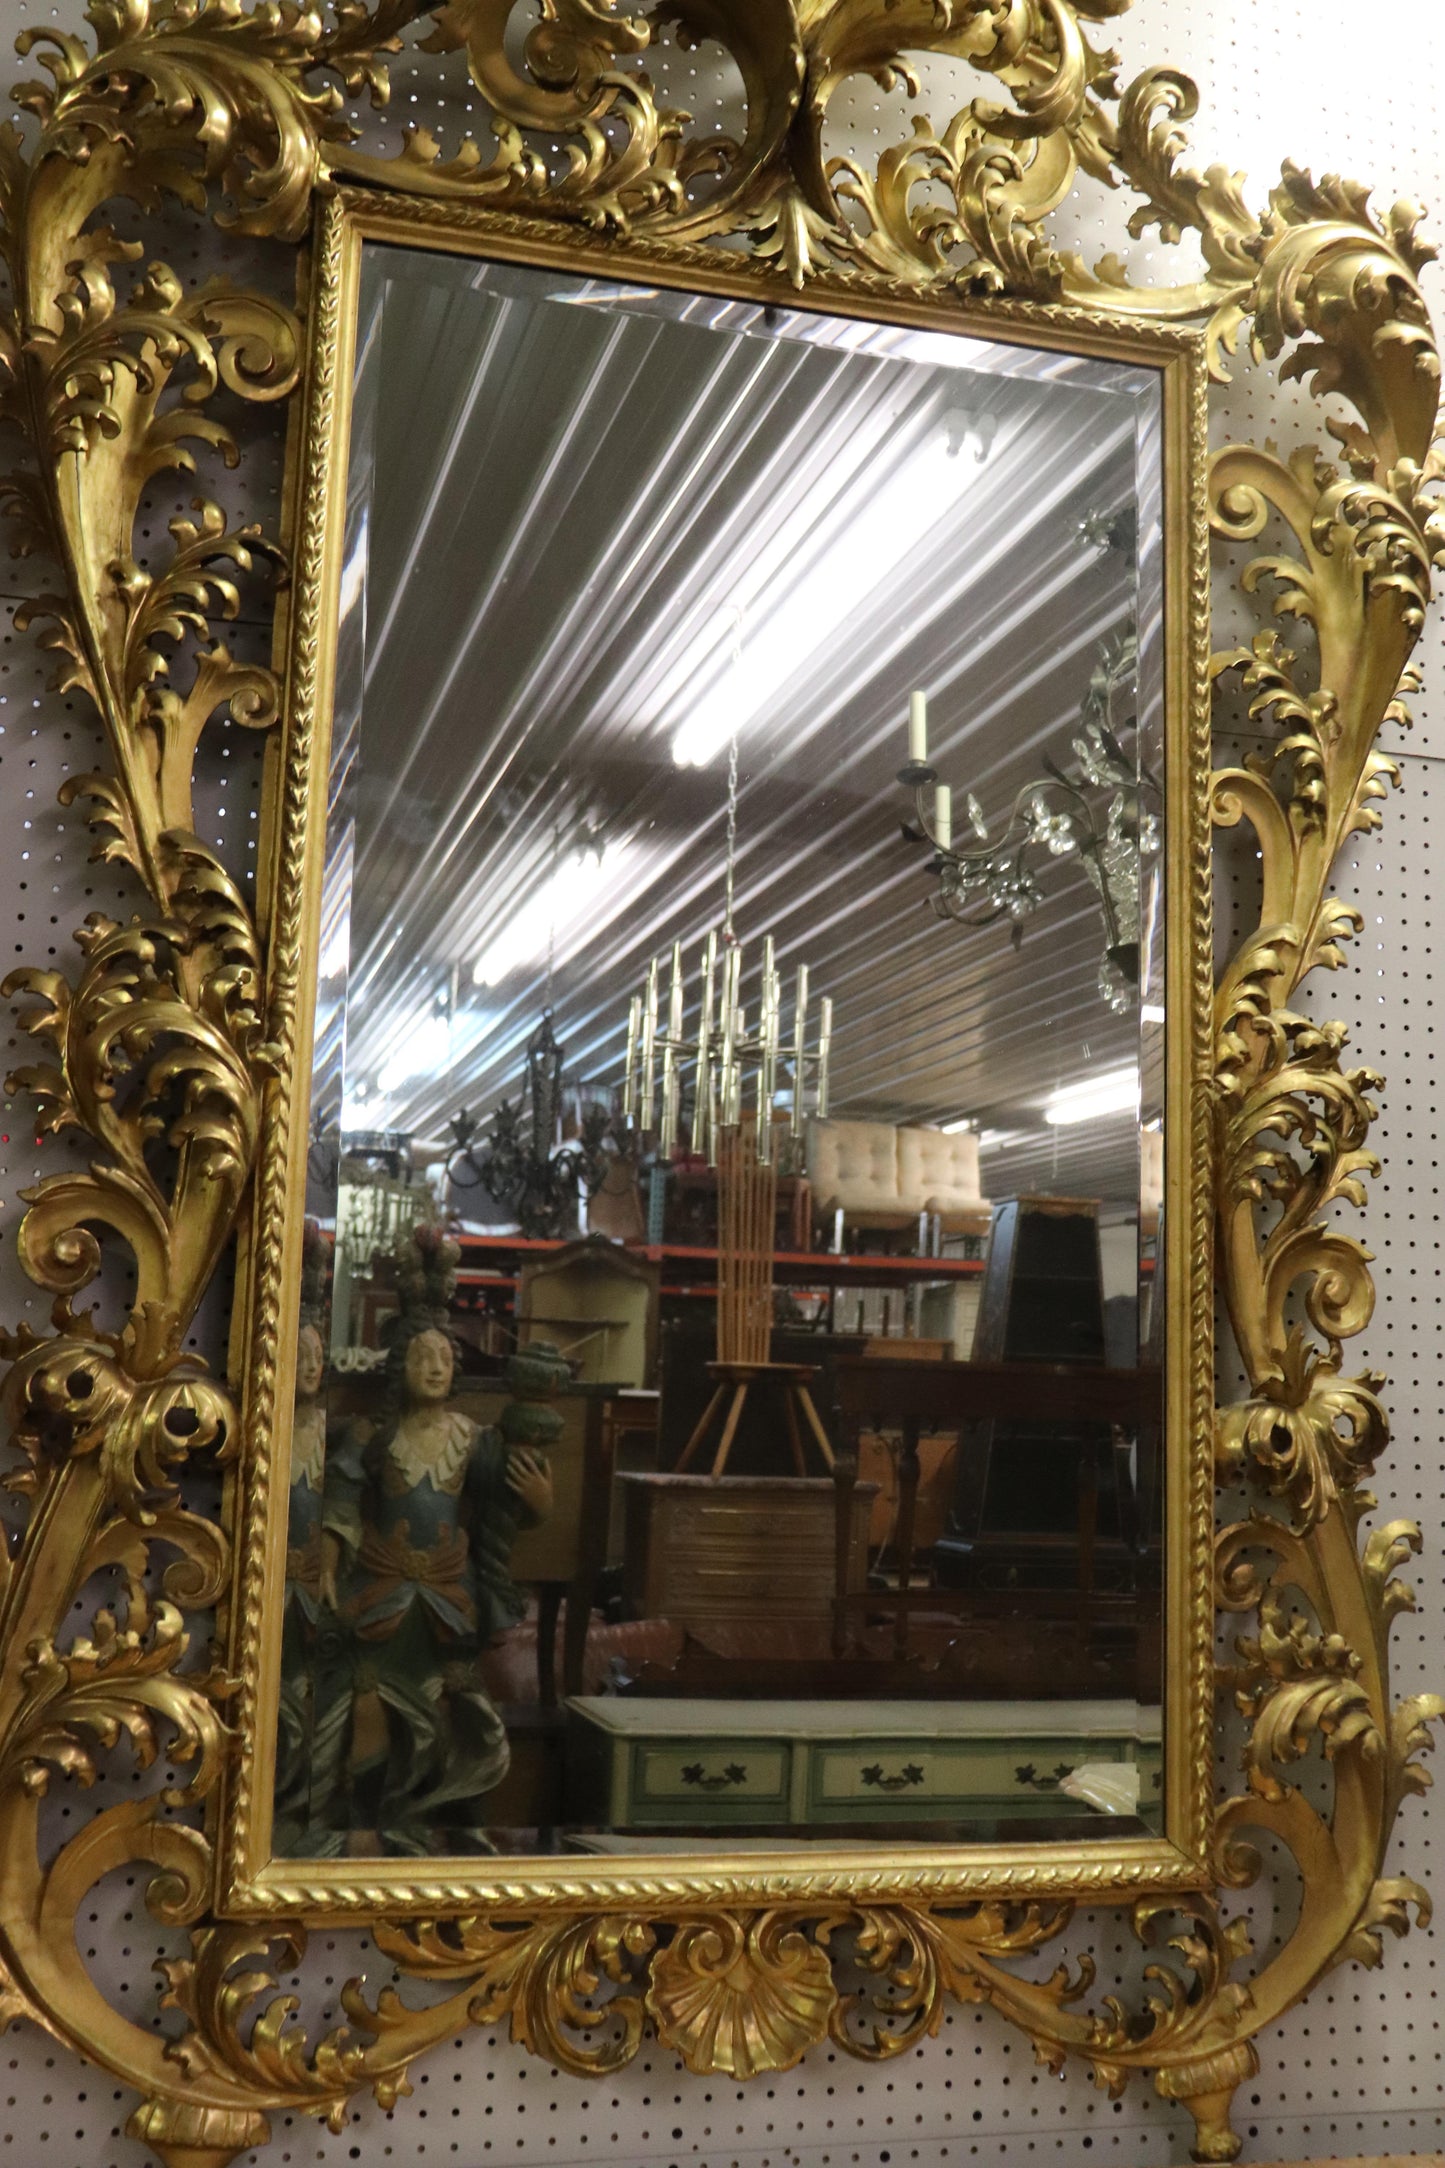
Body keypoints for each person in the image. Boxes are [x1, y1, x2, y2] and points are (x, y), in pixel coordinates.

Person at [321, 1322, 555, 1854]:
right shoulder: (374, 1436)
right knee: (368, 1707)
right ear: (399, 1367)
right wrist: (329, 1564)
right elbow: (340, 1497)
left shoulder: (472, 1439)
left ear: (455, 1374)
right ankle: (367, 1824)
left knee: (458, 1709)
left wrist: (540, 1498)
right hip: (381, 1595)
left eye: (444, 1360)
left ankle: (456, 1822)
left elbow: (514, 1505)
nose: (433, 1368)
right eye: (421, 1357)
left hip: (450, 1602)